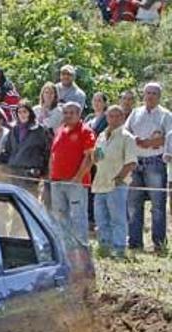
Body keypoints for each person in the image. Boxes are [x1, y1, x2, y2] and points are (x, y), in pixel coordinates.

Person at [125, 82, 172, 253]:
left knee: (158, 205)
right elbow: (126, 132)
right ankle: (135, 242)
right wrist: (135, 139)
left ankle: (159, 243)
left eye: (153, 93)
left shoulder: (166, 115)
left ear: (159, 96)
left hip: (156, 162)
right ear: (143, 95)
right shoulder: (135, 113)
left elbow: (169, 138)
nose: (150, 96)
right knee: (133, 204)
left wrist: (151, 142)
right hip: (136, 162)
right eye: (147, 93)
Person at [92, 105, 137, 258]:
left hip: (116, 185)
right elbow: (97, 156)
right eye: (111, 116)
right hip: (99, 183)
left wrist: (119, 179)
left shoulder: (127, 137)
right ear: (107, 117)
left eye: (118, 116)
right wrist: (95, 155)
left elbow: (131, 162)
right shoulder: (101, 136)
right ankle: (104, 247)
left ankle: (119, 249)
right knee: (101, 218)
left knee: (117, 219)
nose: (114, 119)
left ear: (123, 118)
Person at [49, 102, 95, 243]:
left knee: (78, 215)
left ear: (79, 114)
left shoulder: (86, 131)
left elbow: (89, 157)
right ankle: (64, 245)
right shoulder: (60, 130)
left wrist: (78, 177)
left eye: (71, 113)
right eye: (66, 112)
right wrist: (51, 175)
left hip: (76, 182)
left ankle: (81, 245)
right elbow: (53, 154)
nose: (68, 115)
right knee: (59, 214)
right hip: (56, 181)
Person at [0, 102, 51, 197]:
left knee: (30, 200)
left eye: (25, 112)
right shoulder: (13, 130)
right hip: (14, 171)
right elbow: (8, 151)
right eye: (19, 112)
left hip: (30, 172)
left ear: (30, 113)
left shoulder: (39, 130)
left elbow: (47, 151)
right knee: (15, 202)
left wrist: (44, 171)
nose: (22, 114)